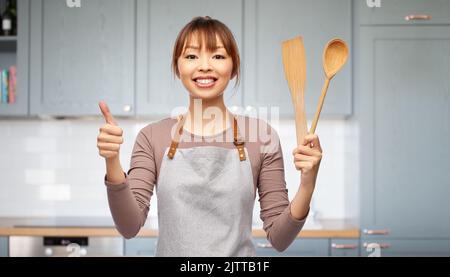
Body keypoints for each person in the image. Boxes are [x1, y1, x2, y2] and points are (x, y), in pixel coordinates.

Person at [97, 16, 322, 257]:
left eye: (217, 56)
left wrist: (308, 184)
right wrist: (112, 160)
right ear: (177, 66)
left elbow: (279, 238)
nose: (204, 66)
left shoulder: (262, 137)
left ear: (233, 67)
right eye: (192, 56)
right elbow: (129, 226)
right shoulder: (152, 137)